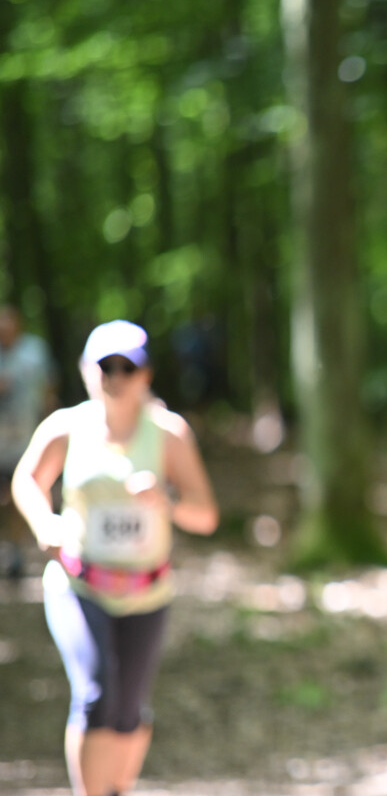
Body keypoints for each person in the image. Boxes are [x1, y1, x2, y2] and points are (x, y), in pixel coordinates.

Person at [11, 319, 219, 796]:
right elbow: (27, 481)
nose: (116, 376)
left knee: (129, 710)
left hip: (148, 592)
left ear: (146, 374)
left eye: (128, 367)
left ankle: (116, 789)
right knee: (95, 694)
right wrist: (46, 525)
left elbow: (206, 515)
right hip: (79, 585)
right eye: (106, 366)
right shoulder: (66, 427)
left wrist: (166, 502)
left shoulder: (169, 434)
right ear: (87, 370)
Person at [0, 304, 57, 578]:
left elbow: (48, 386)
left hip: (26, 439)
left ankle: (16, 552)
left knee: (18, 496)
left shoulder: (35, 351)